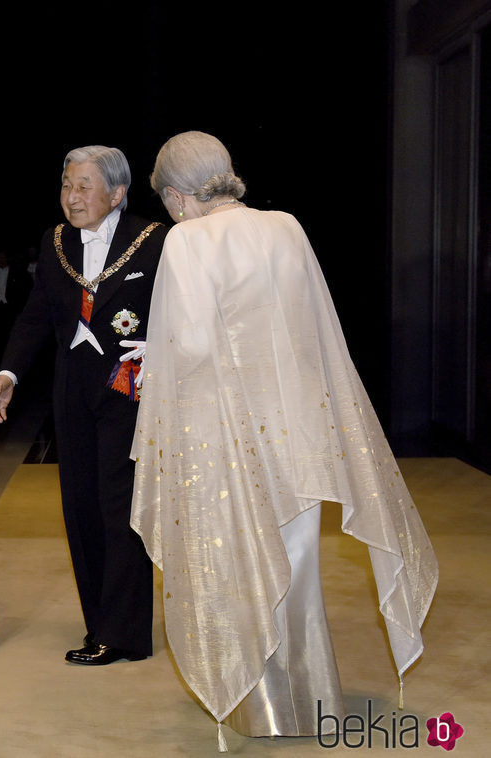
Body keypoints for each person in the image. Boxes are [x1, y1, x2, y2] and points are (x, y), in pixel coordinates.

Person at [130, 131, 438, 746]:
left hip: (229, 432)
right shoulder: (288, 226)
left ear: (176, 195)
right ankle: (311, 696)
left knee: (236, 560)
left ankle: (263, 705)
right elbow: (312, 323)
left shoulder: (186, 241)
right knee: (297, 564)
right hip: (300, 427)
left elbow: (190, 345)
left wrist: (152, 355)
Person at [0, 146, 166, 665]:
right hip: (72, 393)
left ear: (117, 192)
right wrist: (8, 373)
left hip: (128, 390)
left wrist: (164, 346)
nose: (72, 196)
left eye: (84, 186)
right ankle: (99, 626)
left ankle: (123, 632)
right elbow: (37, 313)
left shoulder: (153, 241)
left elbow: (186, 305)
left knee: (118, 506)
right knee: (81, 505)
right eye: (67, 184)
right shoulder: (55, 241)